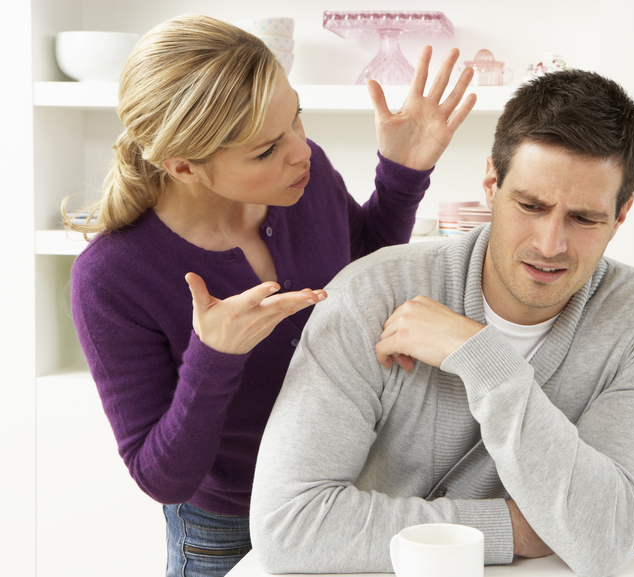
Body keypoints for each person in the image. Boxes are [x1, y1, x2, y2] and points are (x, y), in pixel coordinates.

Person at [67, 13, 476, 577]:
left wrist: (402, 175)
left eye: (297, 119)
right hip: (228, 532)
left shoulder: (305, 185)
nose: (301, 151)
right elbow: (163, 478)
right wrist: (214, 358)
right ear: (183, 165)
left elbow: (360, 270)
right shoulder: (112, 276)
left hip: (352, 495)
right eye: (265, 150)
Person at [250, 69, 634, 576]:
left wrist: (486, 362)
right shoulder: (370, 294)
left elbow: (608, 539)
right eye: (530, 206)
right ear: (491, 183)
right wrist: (511, 528)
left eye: (585, 219)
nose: (550, 245)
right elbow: (287, 527)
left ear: (620, 216)